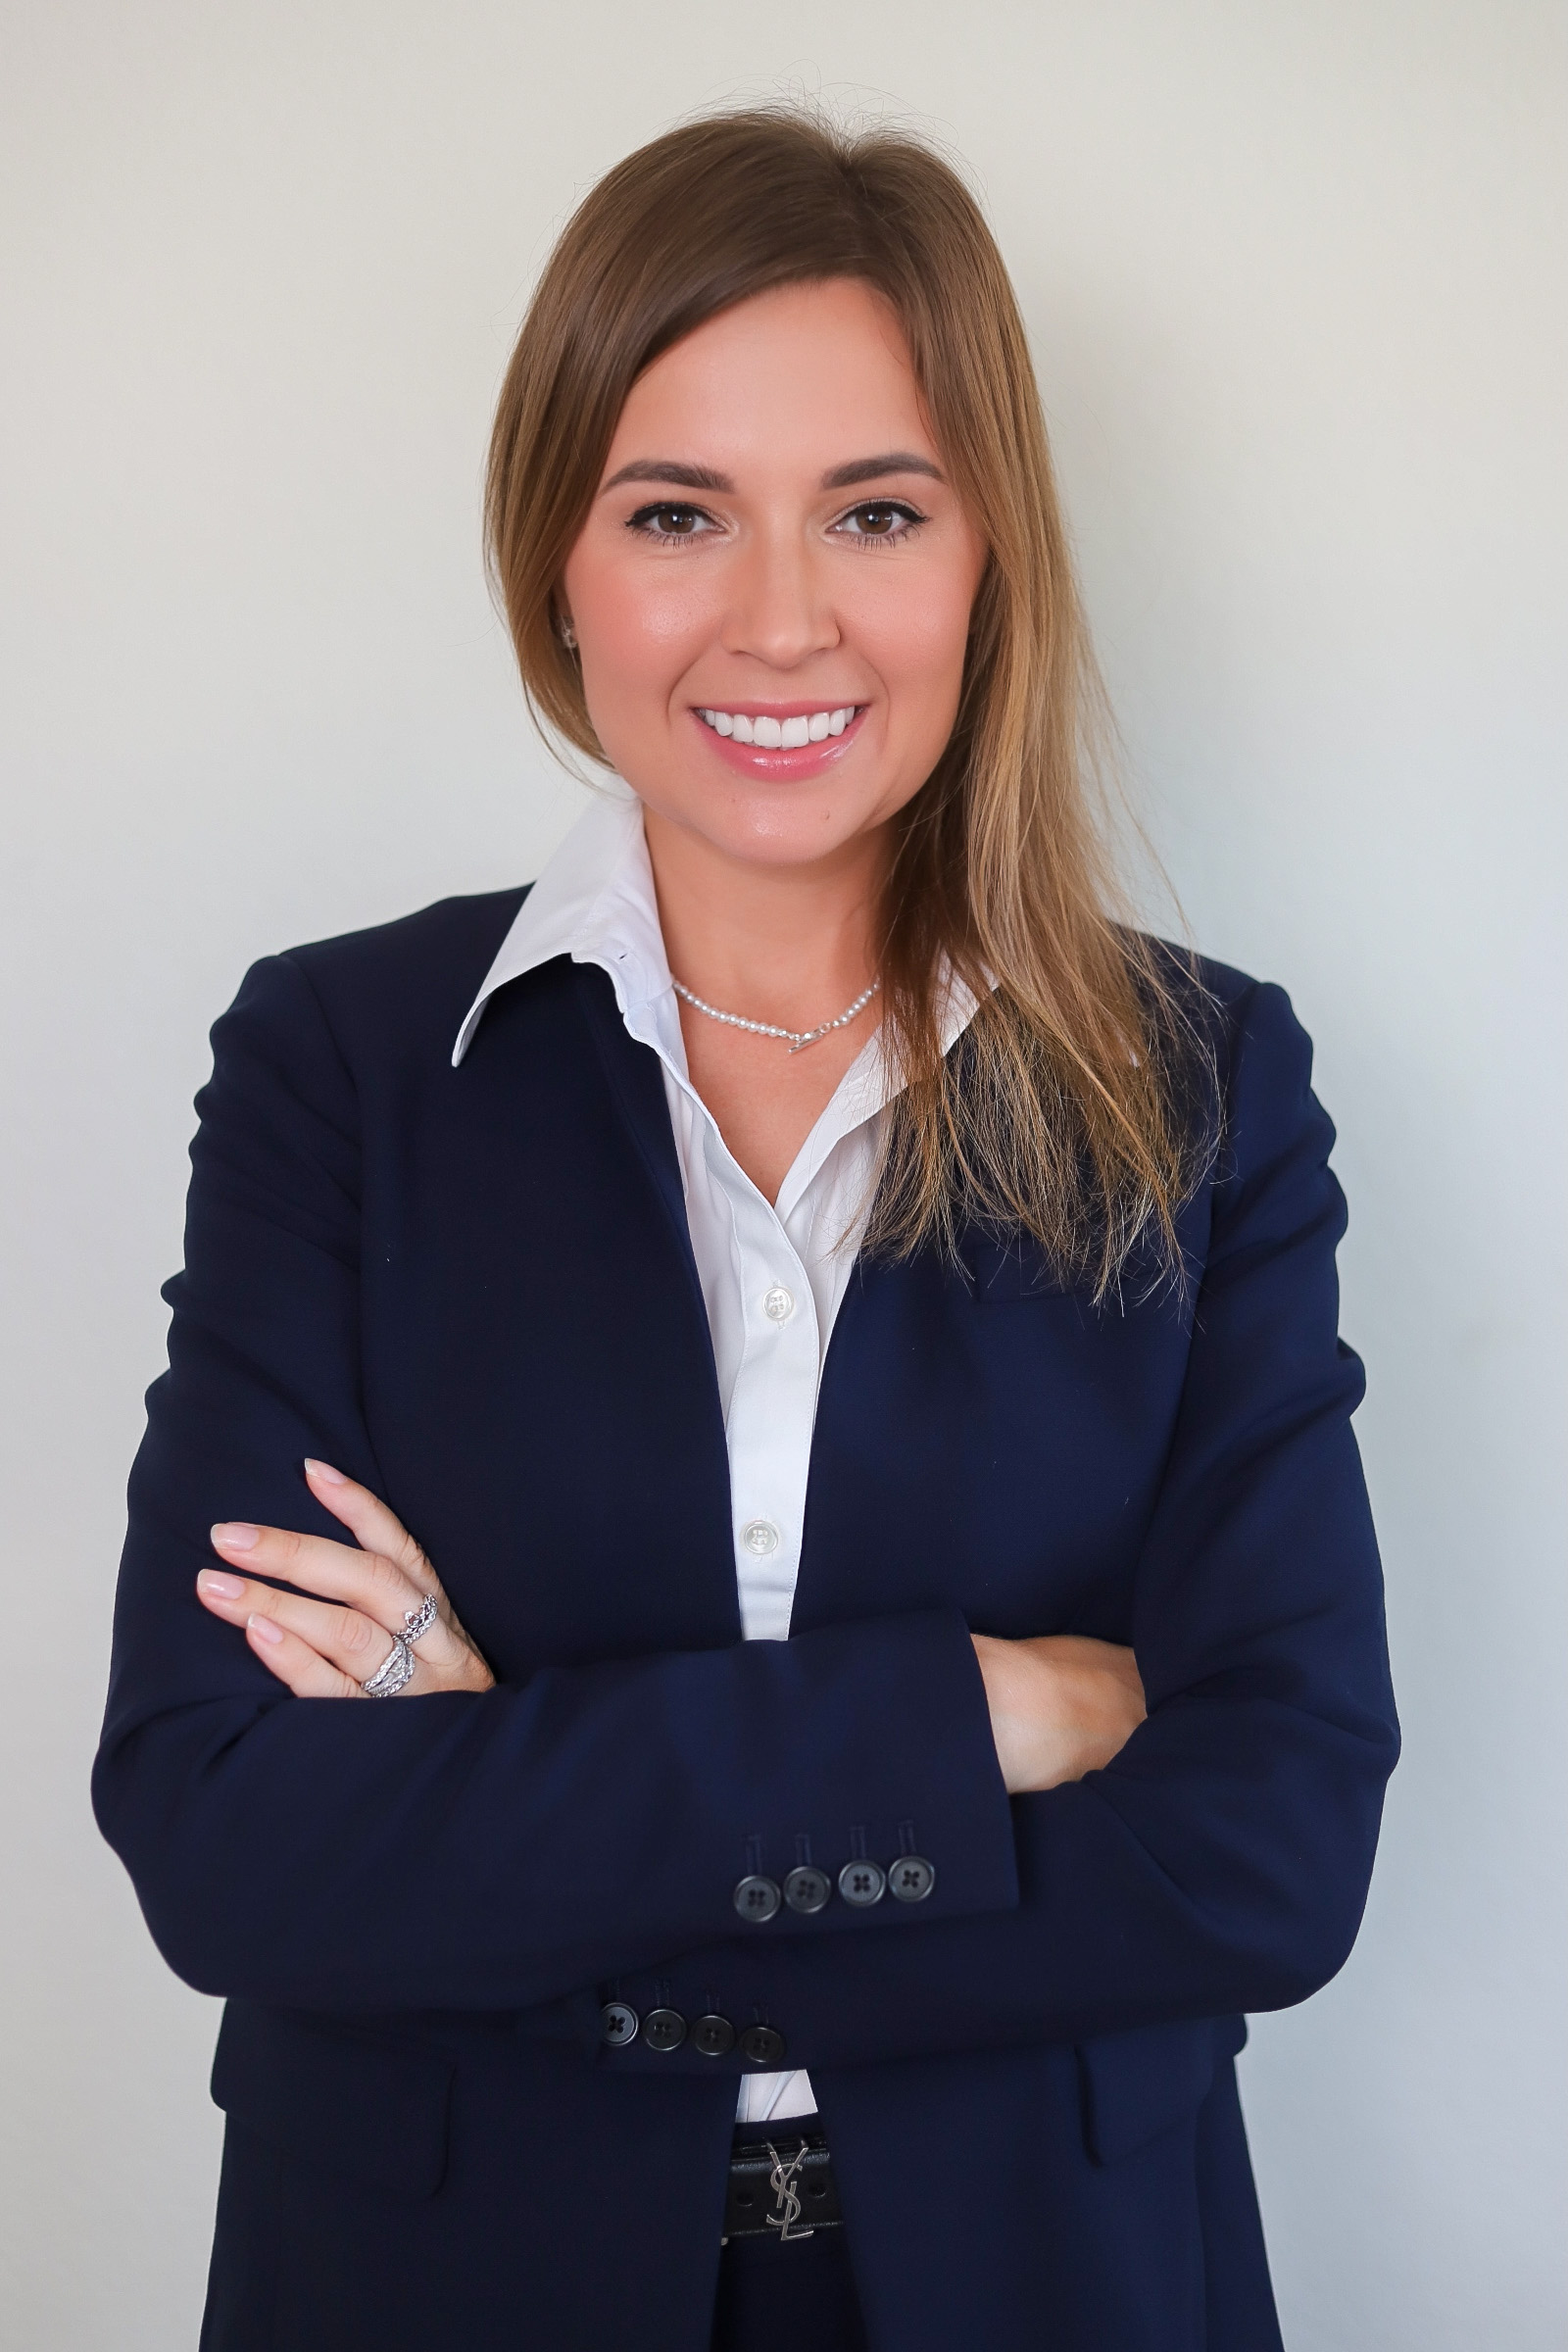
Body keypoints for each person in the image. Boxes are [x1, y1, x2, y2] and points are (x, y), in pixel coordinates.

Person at [93, 108, 1398, 2352]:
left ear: (984, 559)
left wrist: (506, 1777)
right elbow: (228, 1835)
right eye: (675, 513)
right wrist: (962, 1727)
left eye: (872, 513)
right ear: (558, 566)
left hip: (1048, 2284)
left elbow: (1263, 1853)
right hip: (435, 2286)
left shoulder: (1195, 1091)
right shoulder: (341, 1068)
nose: (779, 617)